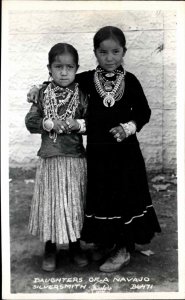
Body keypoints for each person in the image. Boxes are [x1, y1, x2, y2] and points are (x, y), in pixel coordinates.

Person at [27, 26, 161, 273]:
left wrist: (128, 127)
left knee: (123, 196)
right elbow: (60, 79)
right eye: (103, 52)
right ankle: (108, 242)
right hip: (98, 154)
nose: (109, 58)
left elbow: (144, 112)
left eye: (115, 52)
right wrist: (37, 86)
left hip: (125, 153)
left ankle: (123, 248)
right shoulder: (87, 79)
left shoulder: (130, 82)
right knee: (102, 196)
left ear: (124, 52)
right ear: (95, 53)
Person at [25, 43, 88, 272]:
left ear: (76, 68)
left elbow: (94, 122)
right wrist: (48, 122)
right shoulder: (42, 94)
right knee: (51, 205)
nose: (63, 72)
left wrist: (78, 124)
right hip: (50, 159)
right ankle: (50, 247)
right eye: (58, 66)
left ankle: (75, 245)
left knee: (73, 204)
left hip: (74, 160)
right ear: (49, 68)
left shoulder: (81, 95)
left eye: (69, 67)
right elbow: (30, 122)